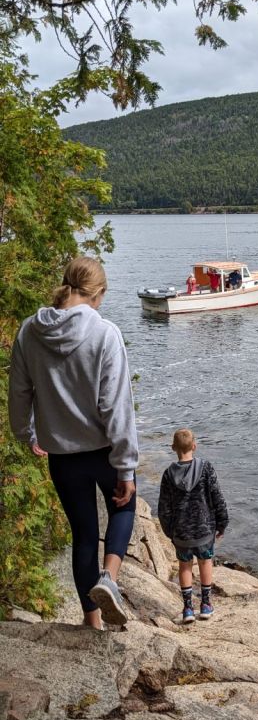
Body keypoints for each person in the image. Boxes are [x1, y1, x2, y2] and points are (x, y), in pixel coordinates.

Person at [8, 256, 138, 629]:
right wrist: (126, 465)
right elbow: (116, 407)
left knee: (83, 534)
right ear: (98, 294)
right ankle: (109, 579)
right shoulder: (105, 334)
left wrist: (26, 434)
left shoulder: (29, 332)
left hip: (62, 455)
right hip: (103, 451)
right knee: (124, 508)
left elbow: (19, 394)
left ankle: (92, 622)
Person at [158, 428, 228, 624]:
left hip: (181, 532)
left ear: (173, 448)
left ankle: (188, 608)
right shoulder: (206, 468)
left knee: (184, 565)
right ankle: (205, 604)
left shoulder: (168, 475)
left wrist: (169, 531)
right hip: (204, 530)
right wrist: (222, 522)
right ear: (194, 446)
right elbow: (217, 497)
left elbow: (164, 508)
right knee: (205, 562)